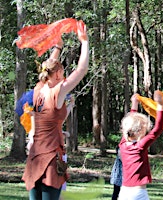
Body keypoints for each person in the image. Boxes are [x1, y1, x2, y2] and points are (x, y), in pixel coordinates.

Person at [22, 21, 89, 200]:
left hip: (35, 156)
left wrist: (58, 47)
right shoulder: (58, 92)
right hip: (50, 159)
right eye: (62, 71)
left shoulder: (38, 90)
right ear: (58, 74)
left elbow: (49, 67)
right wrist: (84, 42)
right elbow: (82, 69)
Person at [118, 91, 163, 200]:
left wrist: (134, 103)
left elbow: (130, 120)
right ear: (139, 131)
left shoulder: (123, 144)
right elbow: (158, 129)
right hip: (138, 193)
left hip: (124, 192)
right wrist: (160, 105)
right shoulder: (140, 146)